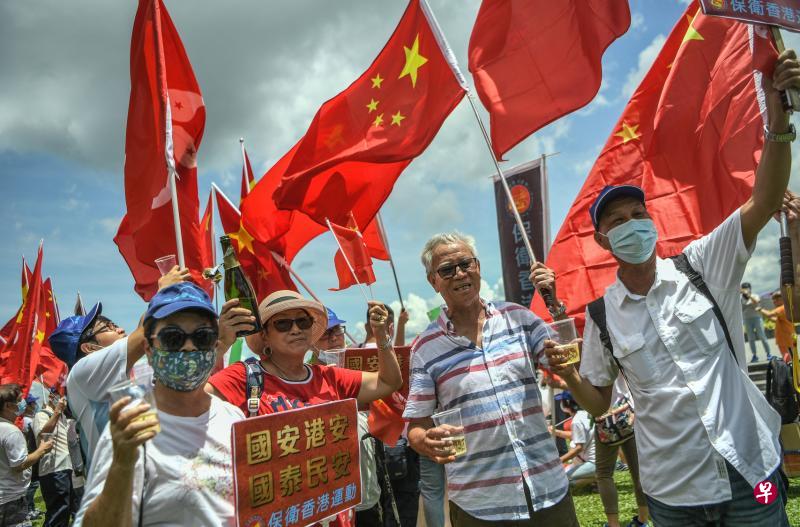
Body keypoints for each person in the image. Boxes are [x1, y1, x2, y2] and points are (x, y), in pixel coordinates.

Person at [549, 49, 799, 525]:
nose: (632, 226)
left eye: (638, 215)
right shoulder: (602, 316)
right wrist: (568, 377)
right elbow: (600, 401)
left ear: (652, 221)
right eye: (618, 221)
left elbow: (765, 199)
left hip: (754, 472)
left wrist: (780, 121)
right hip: (673, 497)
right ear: (604, 240)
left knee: (773, 514)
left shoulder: (703, 265)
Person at [404, 232, 579, 526]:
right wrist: (425, 440)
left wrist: (555, 304)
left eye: (465, 263)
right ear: (433, 282)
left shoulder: (519, 318)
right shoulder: (425, 348)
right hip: (480, 505)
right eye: (447, 269)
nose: (459, 273)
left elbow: (569, 360)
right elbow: (416, 424)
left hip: (546, 488)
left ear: (478, 267)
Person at [75, 282, 245, 526]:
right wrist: (122, 465)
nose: (189, 346)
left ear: (215, 345)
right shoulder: (132, 429)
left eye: (202, 337)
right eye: (173, 338)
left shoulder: (234, 418)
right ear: (149, 349)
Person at [50, 266, 250, 467]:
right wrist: (166, 292)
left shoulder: (125, 373)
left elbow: (190, 374)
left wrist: (221, 340)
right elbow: (145, 331)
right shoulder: (83, 373)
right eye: (108, 326)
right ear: (89, 347)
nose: (119, 328)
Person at [592, 377, 648, 527]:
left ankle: (613, 524)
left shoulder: (588, 357)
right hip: (627, 412)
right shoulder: (615, 352)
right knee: (638, 471)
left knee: (604, 474)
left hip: (605, 419)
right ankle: (643, 520)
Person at [0, 383, 53, 527]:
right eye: (19, 400)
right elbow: (19, 465)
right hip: (11, 499)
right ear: (7, 406)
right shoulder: (11, 431)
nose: (22, 403)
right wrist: (42, 449)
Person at [33, 392, 73, 527]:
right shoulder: (42, 415)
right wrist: (56, 412)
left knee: (65, 511)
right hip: (53, 469)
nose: (62, 399)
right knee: (57, 512)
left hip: (65, 467)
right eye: (58, 396)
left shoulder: (63, 417)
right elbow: (44, 434)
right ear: (51, 397)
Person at [555, 393, 596, 486]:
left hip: (593, 463)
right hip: (601, 461)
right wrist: (556, 432)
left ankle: (597, 478)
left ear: (566, 404)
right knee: (565, 472)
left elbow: (578, 448)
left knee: (561, 481)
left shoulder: (577, 420)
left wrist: (558, 461)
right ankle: (595, 477)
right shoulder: (586, 413)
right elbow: (577, 436)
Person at [758, 291, 797, 363]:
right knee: (790, 356)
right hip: (787, 336)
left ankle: (791, 372)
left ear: (782, 299)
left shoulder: (782, 308)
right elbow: (777, 320)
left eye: (776, 300)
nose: (774, 302)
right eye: (773, 300)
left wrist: (760, 309)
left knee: (788, 357)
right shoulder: (787, 307)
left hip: (786, 336)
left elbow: (770, 314)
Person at [741, 282, 773, 362]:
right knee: (751, 338)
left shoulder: (754, 295)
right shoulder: (741, 299)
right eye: (743, 288)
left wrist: (748, 295)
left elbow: (756, 302)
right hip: (747, 320)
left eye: (746, 288)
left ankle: (768, 353)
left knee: (762, 336)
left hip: (757, 318)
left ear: (750, 288)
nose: (745, 289)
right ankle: (754, 355)